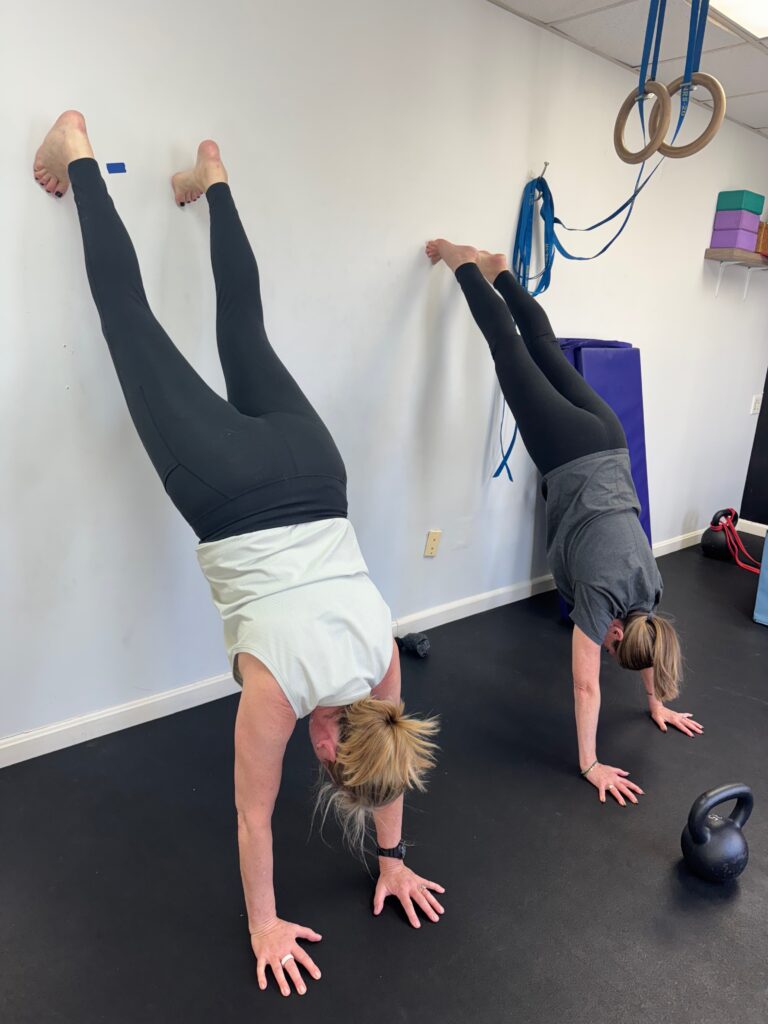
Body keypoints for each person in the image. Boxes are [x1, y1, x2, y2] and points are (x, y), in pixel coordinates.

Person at [32, 110, 445, 998]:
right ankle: (77, 152)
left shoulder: (383, 668)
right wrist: (264, 924)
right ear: (329, 745)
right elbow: (252, 821)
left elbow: (391, 767)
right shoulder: (280, 694)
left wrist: (396, 858)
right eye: (325, 759)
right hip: (229, 492)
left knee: (243, 327)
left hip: (315, 467)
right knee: (131, 326)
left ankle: (212, 177)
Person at [426, 239, 703, 806]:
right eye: (610, 644)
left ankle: (502, 274)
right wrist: (590, 764)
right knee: (508, 349)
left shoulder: (651, 588)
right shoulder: (602, 604)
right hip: (569, 452)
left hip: (609, 440)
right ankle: (458, 260)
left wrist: (655, 702)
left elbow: (644, 643)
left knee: (546, 348)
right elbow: (585, 685)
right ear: (618, 631)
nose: (603, 645)